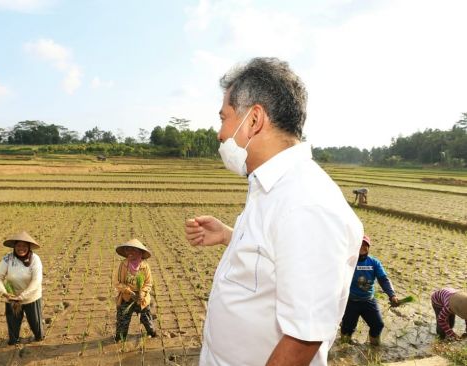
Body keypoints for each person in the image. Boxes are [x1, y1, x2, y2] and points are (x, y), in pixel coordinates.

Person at [183, 57, 363, 366]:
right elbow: (273, 252)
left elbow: (302, 340)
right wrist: (230, 235)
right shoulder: (271, 187)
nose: (220, 133)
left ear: (253, 120)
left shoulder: (305, 203)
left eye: (224, 117)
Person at [340, 235, 399, 346]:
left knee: (378, 325)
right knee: (347, 328)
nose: (362, 247)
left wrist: (392, 295)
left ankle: (373, 347)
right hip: (351, 301)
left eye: (365, 245)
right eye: (359, 245)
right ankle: (343, 349)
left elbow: (383, 279)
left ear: (368, 247)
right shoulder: (349, 262)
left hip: (368, 300)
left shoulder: (374, 263)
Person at [0, 231, 44, 345]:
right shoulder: (8, 259)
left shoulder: (35, 259)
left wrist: (23, 296)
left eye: (24, 246)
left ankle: (38, 337)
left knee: (35, 323)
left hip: (31, 296)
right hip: (11, 296)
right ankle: (14, 340)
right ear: (14, 246)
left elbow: (37, 280)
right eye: (19, 246)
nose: (21, 248)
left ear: (29, 247)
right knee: (13, 323)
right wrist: (4, 292)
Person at [113, 239, 157, 341]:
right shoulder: (123, 265)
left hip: (141, 298)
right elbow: (117, 282)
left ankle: (152, 334)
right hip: (126, 296)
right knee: (122, 320)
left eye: (133, 250)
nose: (130, 253)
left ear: (140, 252)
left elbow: (148, 283)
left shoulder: (145, 266)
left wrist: (142, 293)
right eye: (128, 250)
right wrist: (129, 291)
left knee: (146, 318)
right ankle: (120, 339)